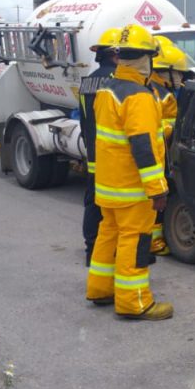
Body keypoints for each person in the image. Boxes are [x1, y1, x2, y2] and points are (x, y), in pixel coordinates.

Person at [86, 24, 173, 321]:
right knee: (134, 242)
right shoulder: (139, 97)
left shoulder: (107, 90)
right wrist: (157, 188)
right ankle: (134, 302)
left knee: (107, 236)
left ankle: (100, 289)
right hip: (133, 190)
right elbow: (143, 147)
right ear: (147, 60)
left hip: (108, 186)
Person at [146, 36, 193, 255]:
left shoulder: (160, 89)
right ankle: (154, 242)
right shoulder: (159, 95)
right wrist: (175, 126)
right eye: (179, 73)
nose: (182, 77)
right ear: (166, 72)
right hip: (156, 155)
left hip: (157, 153)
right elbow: (156, 126)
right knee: (154, 200)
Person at [79, 28, 120, 265]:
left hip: (93, 153)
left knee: (93, 200)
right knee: (116, 205)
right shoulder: (118, 83)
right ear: (116, 55)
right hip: (113, 154)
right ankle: (110, 250)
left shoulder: (88, 81)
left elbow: (84, 118)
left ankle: (91, 249)